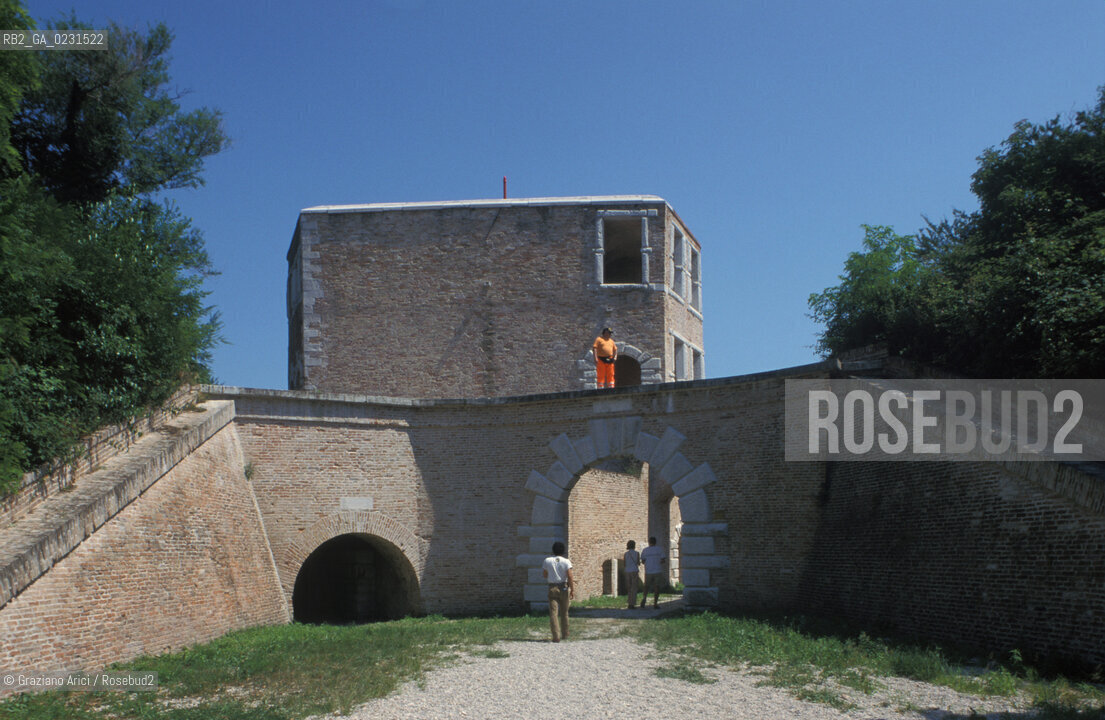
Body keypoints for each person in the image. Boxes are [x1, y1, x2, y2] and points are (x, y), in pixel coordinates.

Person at [542, 541, 574, 642]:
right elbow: (570, 576)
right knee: (564, 612)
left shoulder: (547, 561)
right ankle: (565, 633)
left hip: (552, 587)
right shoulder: (566, 561)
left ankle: (556, 636)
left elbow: (545, 574)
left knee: (553, 613)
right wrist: (572, 589)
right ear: (563, 551)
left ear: (553, 550)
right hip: (563, 587)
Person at [640, 536, 667, 608]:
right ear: (655, 542)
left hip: (648, 571)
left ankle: (644, 598)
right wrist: (657, 562)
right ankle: (655, 603)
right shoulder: (659, 549)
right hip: (657, 570)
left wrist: (649, 562)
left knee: (646, 586)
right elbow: (663, 560)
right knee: (657, 587)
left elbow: (643, 561)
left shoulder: (645, 550)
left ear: (649, 542)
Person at [623, 540, 641, 609]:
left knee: (629, 587)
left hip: (627, 571)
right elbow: (638, 563)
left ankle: (629, 602)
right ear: (634, 546)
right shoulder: (637, 553)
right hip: (634, 571)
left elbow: (624, 564)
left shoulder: (625, 554)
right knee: (634, 587)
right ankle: (632, 603)